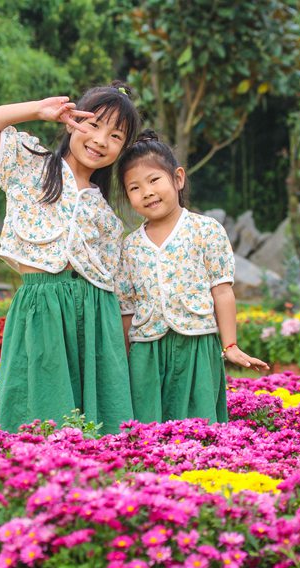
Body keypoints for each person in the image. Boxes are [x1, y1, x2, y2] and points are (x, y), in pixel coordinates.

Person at [0, 82, 140, 434]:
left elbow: (119, 294)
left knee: (96, 413)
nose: (101, 140)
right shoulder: (31, 164)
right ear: (71, 122)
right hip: (41, 303)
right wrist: (38, 108)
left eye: (116, 136)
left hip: (95, 314)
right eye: (93, 124)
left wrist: (121, 357)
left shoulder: (107, 215)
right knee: (39, 402)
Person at [116, 130, 269, 424]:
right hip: (146, 351)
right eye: (134, 187)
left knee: (199, 427)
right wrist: (124, 359)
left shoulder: (206, 230)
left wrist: (231, 345)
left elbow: (222, 292)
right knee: (145, 427)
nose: (146, 191)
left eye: (154, 180)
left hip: (196, 346)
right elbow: (127, 308)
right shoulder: (130, 245)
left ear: (178, 178)